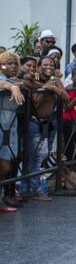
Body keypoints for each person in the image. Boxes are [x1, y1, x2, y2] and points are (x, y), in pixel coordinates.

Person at [21, 56, 70, 202]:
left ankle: (27, 189)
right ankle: (32, 190)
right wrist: (45, 86)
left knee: (40, 156)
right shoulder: (33, 80)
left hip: (48, 124)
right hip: (34, 122)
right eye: (45, 64)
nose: (48, 67)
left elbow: (66, 98)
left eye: (51, 64)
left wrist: (54, 87)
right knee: (33, 158)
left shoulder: (55, 81)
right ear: (39, 66)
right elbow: (36, 102)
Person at [0, 52, 25, 212]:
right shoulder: (5, 81)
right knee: (3, 166)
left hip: (12, 124)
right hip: (2, 123)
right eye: (9, 63)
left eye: (15, 63)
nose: (13, 66)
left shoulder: (15, 80)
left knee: (6, 166)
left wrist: (18, 84)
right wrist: (13, 86)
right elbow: (3, 84)